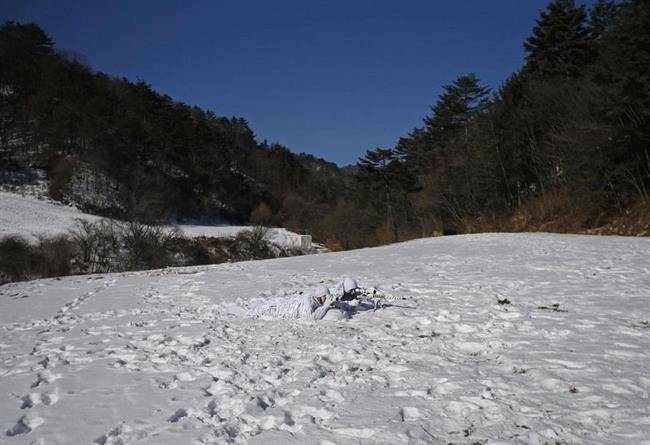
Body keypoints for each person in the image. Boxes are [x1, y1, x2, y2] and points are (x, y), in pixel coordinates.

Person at [245, 285, 335, 320]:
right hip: (283, 310)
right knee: (263, 310)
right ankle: (247, 311)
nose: (325, 299)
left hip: (285, 307)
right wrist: (325, 306)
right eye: (324, 297)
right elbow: (310, 318)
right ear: (320, 296)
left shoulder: (314, 300)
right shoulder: (308, 301)